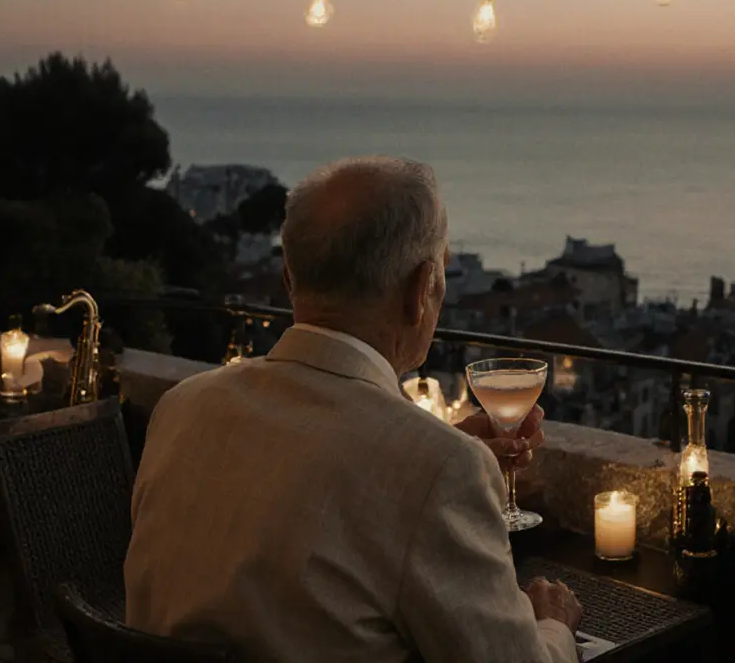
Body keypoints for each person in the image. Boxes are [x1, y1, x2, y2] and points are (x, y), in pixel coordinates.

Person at [125, 156, 582, 662]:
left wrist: (446, 460)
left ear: (289, 280)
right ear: (420, 290)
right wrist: (553, 626)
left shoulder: (182, 407)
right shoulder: (437, 470)